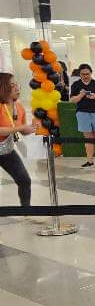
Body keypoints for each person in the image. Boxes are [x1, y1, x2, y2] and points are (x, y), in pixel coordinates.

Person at [0, 73, 35, 207]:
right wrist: (20, 127)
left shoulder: (19, 107)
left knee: (24, 180)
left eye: (17, 84)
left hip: (7, 150)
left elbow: (21, 130)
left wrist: (32, 128)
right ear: (3, 87)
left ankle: (26, 210)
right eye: (12, 85)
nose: (17, 88)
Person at [70, 64, 95, 167]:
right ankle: (90, 161)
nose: (85, 76)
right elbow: (73, 100)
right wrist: (81, 95)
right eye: (83, 74)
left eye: (87, 74)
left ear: (91, 73)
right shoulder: (75, 85)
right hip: (82, 113)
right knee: (88, 137)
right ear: (80, 74)